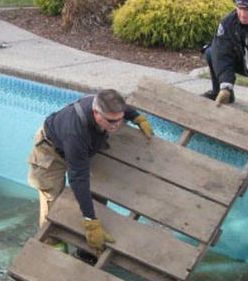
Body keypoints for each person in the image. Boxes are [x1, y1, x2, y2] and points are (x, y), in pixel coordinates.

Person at [27, 89, 154, 253]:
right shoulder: (75, 134)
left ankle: (85, 247)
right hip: (50, 149)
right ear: (96, 113)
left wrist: (136, 117)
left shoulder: (106, 104)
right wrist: (90, 221)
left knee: (98, 188)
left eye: (120, 120)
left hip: (82, 147)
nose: (116, 125)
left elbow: (121, 109)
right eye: (111, 121)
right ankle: (52, 242)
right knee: (51, 195)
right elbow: (78, 179)